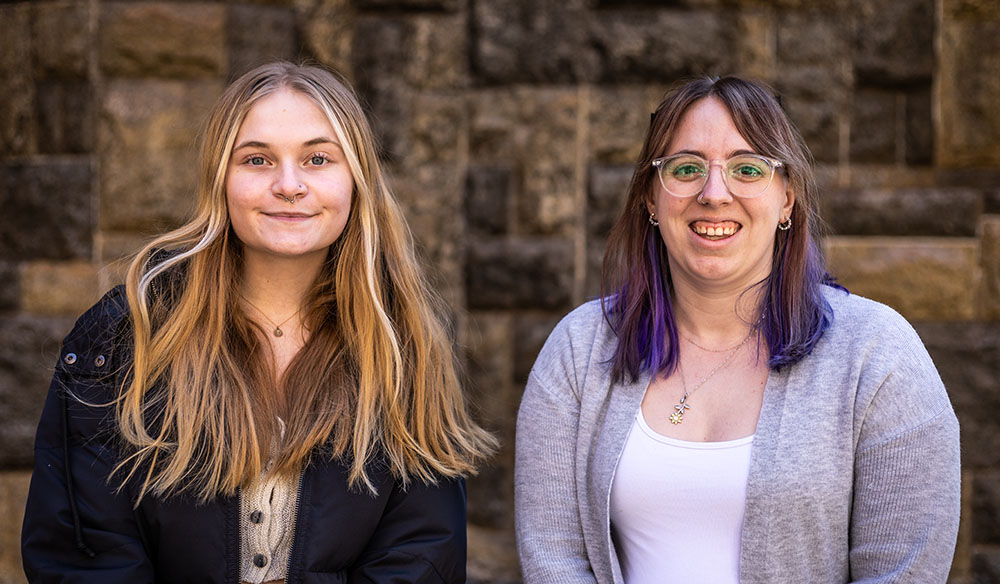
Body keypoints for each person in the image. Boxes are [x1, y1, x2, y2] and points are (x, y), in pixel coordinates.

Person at [21, 61, 496, 583]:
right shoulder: (126, 337)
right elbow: (86, 553)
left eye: (317, 158)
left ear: (356, 179)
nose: (288, 185)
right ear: (220, 177)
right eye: (257, 160)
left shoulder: (400, 341)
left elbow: (421, 554)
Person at [514, 76, 960, 583]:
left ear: (787, 198)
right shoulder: (579, 349)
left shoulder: (878, 355)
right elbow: (553, 557)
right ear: (650, 199)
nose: (714, 194)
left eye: (748, 169)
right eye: (686, 169)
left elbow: (903, 570)